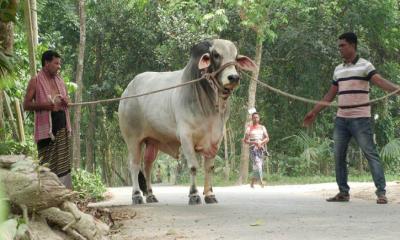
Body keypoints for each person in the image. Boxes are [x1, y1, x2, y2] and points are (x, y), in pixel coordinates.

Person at [303, 32, 400, 204]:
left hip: (360, 119)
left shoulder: (365, 66)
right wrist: (314, 112)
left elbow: (379, 81)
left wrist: (397, 89)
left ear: (353, 45)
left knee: (370, 154)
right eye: (339, 46)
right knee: (338, 155)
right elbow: (329, 96)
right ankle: (343, 192)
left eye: (343, 45)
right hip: (341, 119)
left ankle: (381, 193)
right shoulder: (338, 69)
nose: (340, 49)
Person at [23, 50, 72, 189]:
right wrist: (46, 105)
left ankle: (63, 193)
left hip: (61, 124)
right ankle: (47, 193)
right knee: (47, 163)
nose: (59, 66)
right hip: (46, 131)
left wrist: (67, 101)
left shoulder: (60, 81)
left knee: (62, 162)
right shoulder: (35, 81)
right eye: (56, 63)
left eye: (59, 64)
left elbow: (66, 100)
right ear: (46, 63)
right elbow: (26, 105)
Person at [244, 112, 269, 188]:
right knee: (258, 164)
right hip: (253, 149)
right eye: (254, 117)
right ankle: (261, 181)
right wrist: (254, 142)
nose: (255, 119)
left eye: (257, 117)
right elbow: (245, 140)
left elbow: (267, 138)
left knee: (257, 166)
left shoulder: (262, 127)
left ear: (259, 118)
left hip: (261, 148)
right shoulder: (249, 128)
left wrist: (261, 142)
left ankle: (252, 182)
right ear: (252, 118)